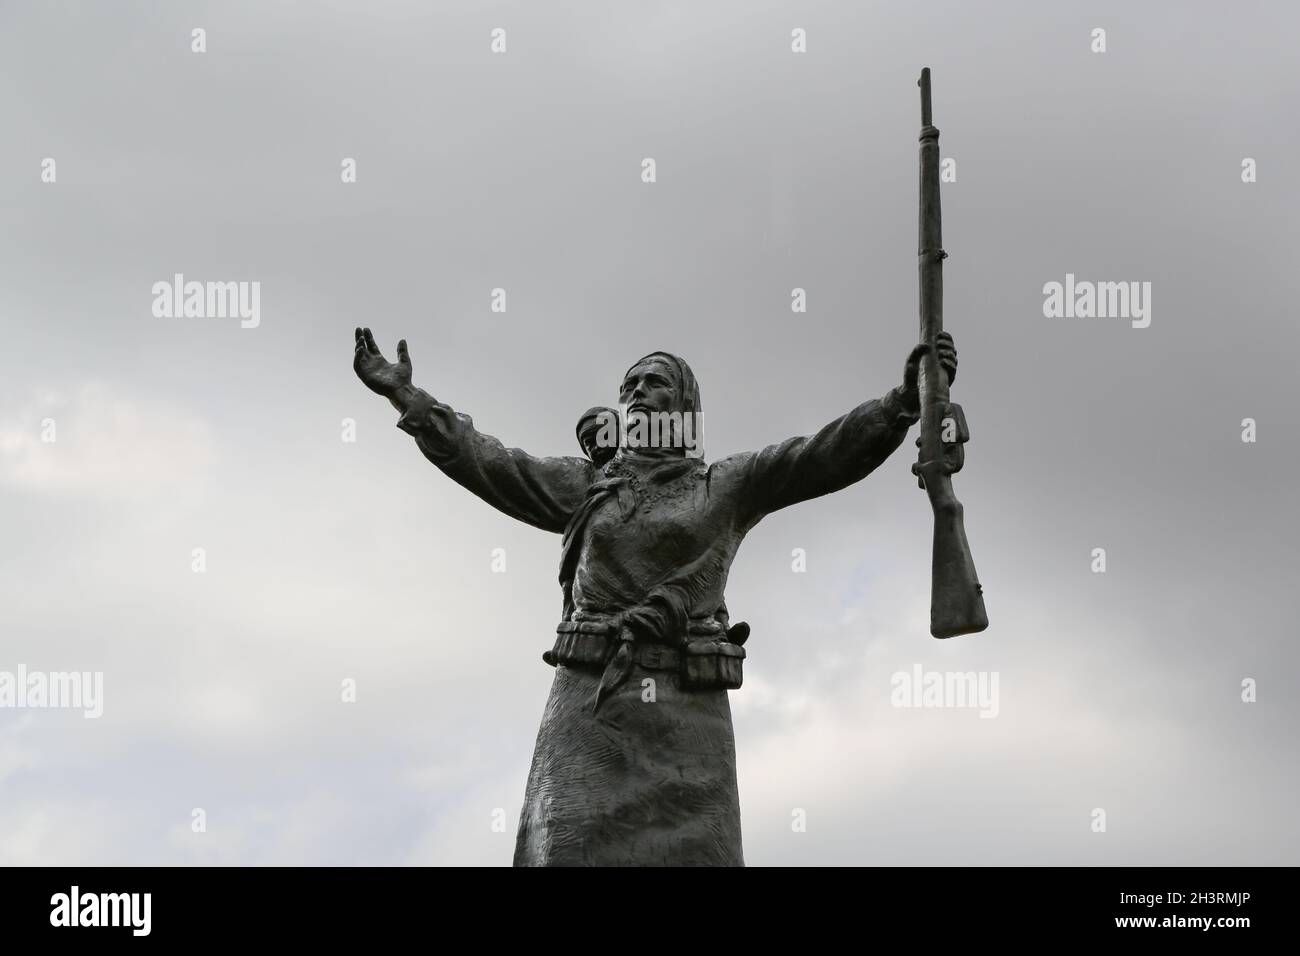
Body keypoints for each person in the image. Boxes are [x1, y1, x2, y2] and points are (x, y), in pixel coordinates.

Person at [353, 329, 957, 866]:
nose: (638, 391)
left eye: (655, 381)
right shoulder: (587, 487)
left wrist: (901, 403)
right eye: (630, 384)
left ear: (685, 404)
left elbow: (818, 456)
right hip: (590, 709)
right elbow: (489, 461)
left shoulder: (726, 485)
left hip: (688, 719)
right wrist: (408, 399)